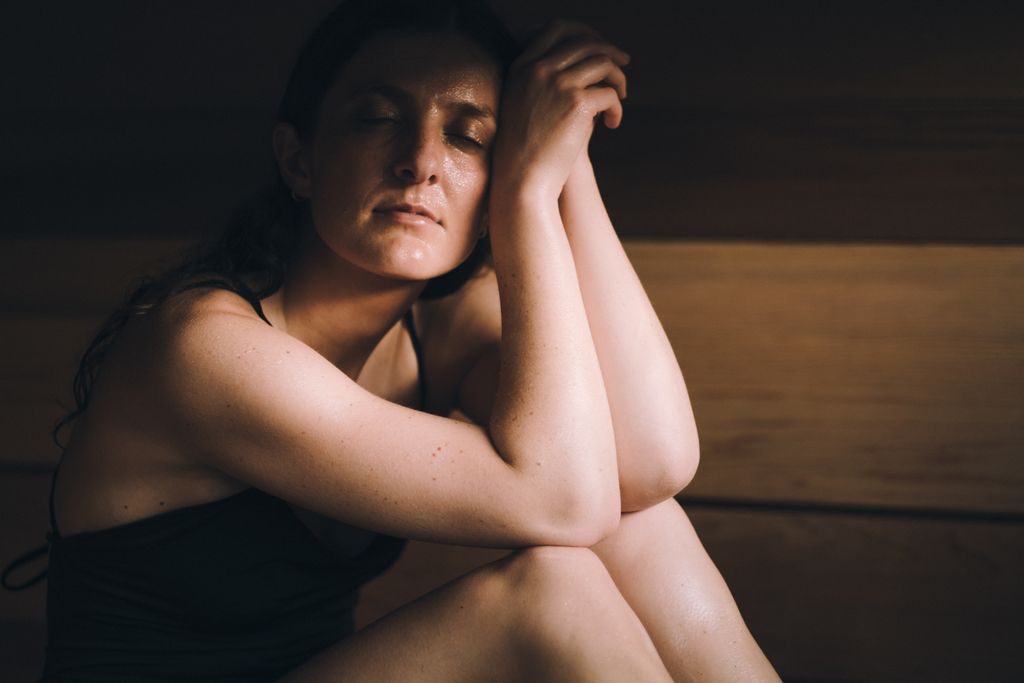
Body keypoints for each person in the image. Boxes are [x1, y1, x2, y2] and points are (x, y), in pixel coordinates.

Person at [32, 0, 781, 680]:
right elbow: (563, 504)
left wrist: (564, 160)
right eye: (377, 117)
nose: (421, 160)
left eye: (468, 137)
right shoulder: (203, 347)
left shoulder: (442, 327)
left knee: (639, 525)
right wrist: (522, 195)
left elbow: (651, 462)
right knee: (554, 591)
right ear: (299, 159)